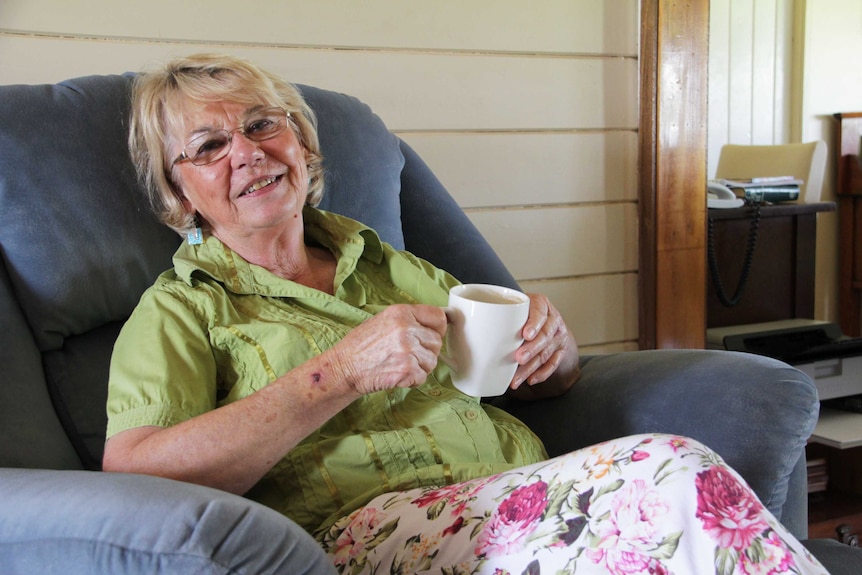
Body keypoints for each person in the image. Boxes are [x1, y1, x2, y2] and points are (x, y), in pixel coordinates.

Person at [103, 53, 827, 574]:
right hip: (370, 535)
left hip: (520, 491)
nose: (249, 153)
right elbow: (134, 471)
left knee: (667, 512)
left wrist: (556, 351)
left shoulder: (387, 261)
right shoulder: (182, 310)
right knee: (670, 469)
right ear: (180, 193)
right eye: (209, 146)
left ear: (301, 142)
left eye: (264, 125)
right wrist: (339, 372)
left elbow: (522, 382)